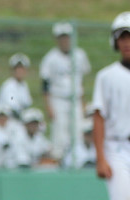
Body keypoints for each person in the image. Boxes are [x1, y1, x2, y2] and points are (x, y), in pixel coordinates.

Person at [91, 13, 130, 200]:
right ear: (115, 42)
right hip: (117, 147)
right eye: (122, 37)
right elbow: (98, 117)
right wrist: (101, 157)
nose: (126, 42)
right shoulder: (106, 76)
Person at [40, 21, 92, 162]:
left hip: (75, 99)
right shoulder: (50, 58)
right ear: (57, 39)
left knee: (79, 132)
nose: (65, 40)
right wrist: (49, 106)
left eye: (67, 37)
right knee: (59, 136)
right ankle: (60, 164)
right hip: (58, 99)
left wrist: (83, 102)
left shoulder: (80, 54)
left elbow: (82, 81)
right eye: (62, 37)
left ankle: (77, 163)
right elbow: (45, 85)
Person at [0, 53, 33, 121]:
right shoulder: (8, 85)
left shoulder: (24, 85)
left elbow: (27, 104)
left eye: (22, 68)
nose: (20, 71)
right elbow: (13, 108)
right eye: (17, 68)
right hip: (6, 121)